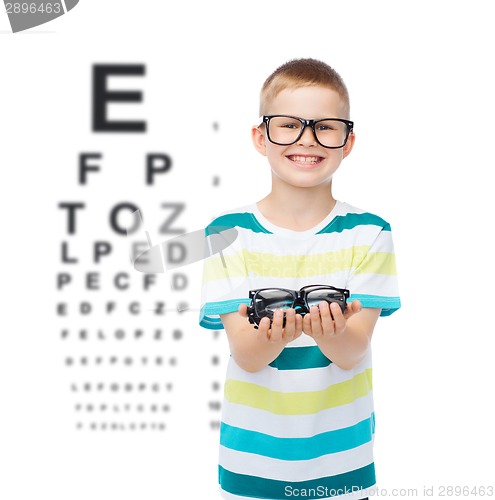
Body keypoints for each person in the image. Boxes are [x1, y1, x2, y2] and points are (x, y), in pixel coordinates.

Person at [199, 58, 401, 500]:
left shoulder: (370, 232)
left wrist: (331, 332)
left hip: (342, 462)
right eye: (289, 125)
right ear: (260, 137)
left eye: (325, 127)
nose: (307, 139)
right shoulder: (226, 234)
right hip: (252, 462)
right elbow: (247, 357)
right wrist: (277, 337)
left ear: (347, 140)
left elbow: (352, 352)